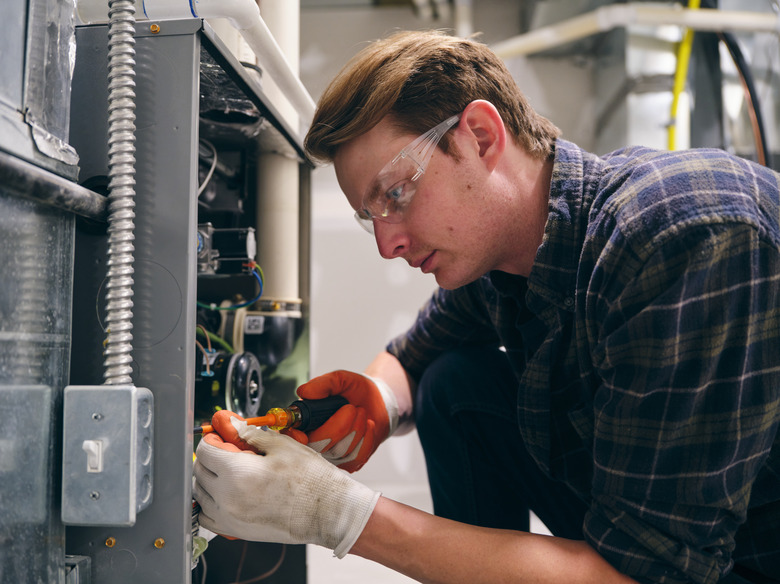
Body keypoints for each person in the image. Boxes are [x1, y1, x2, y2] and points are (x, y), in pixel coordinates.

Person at [193, 30, 780, 584]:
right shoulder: (503, 255)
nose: (387, 243)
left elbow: (648, 575)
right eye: (370, 215)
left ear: (480, 136)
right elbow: (415, 358)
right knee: (454, 383)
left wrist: (335, 513)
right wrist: (378, 401)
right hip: (648, 552)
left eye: (396, 194)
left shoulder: (680, 238)